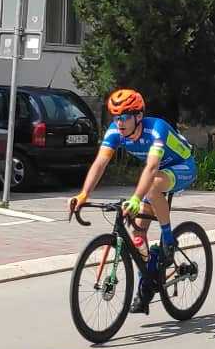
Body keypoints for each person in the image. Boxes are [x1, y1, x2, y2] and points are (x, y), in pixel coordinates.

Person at [71, 89, 198, 314]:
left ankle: (168, 240)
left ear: (138, 116)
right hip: (156, 174)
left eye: (124, 117)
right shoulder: (115, 131)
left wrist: (136, 199)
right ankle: (146, 284)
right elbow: (100, 163)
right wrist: (84, 194)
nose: (119, 123)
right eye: (115, 117)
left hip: (182, 166)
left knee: (152, 186)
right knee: (138, 233)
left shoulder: (156, 129)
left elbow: (152, 167)